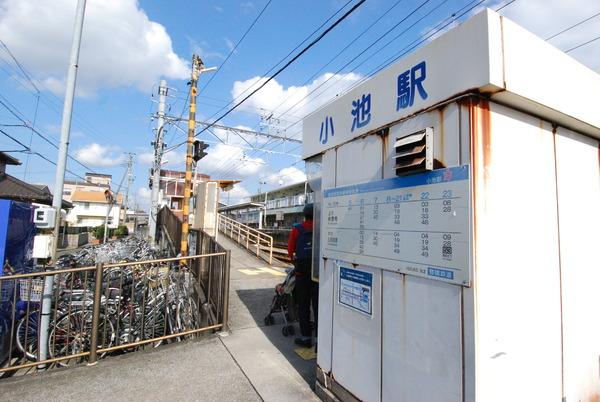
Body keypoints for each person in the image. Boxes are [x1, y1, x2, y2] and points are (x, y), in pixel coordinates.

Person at [287, 203, 318, 348]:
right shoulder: (320, 228)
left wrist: (296, 264)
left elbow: (290, 251)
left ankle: (306, 338)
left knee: (303, 306)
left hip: (301, 274)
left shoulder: (297, 230)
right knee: (318, 306)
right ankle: (319, 339)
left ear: (304, 215)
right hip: (318, 274)